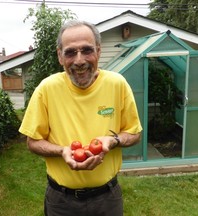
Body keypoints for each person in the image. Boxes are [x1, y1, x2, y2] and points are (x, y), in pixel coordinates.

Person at [19, 20, 142, 216]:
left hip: (107, 199)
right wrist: (62, 151)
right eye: (70, 52)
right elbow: (32, 142)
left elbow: (134, 134)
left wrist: (113, 140)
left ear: (99, 51)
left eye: (87, 50)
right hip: (61, 201)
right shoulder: (46, 89)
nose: (79, 60)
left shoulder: (117, 84)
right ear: (60, 56)